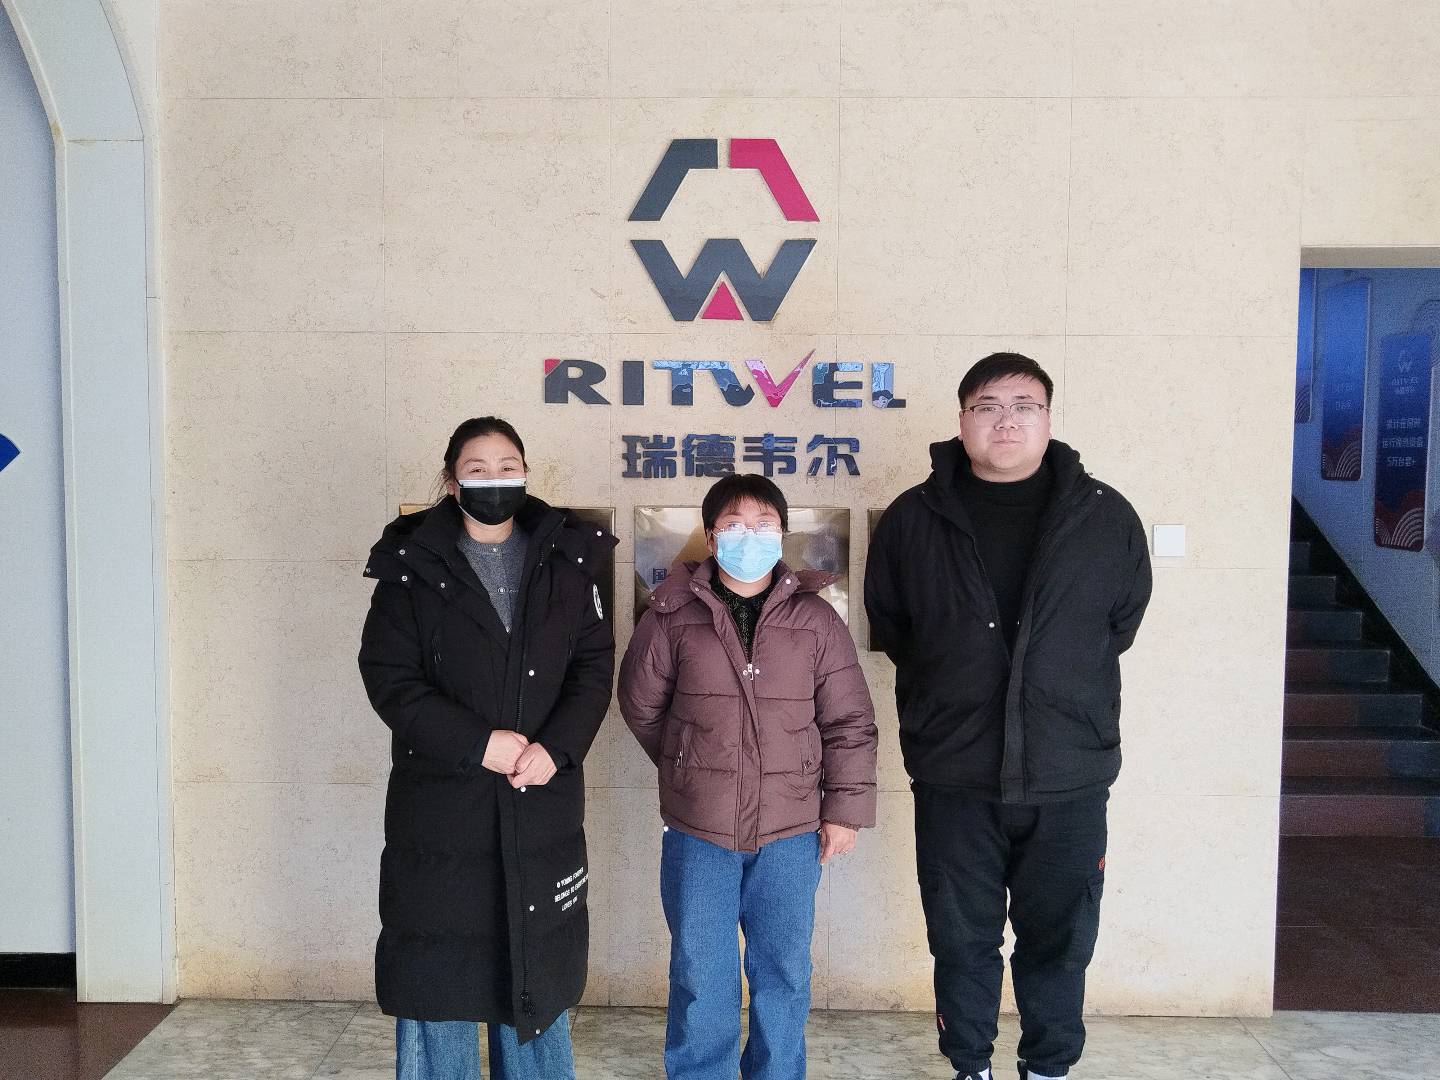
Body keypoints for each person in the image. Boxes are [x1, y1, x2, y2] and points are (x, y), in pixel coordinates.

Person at [864, 353, 1152, 1080]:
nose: (1006, 421)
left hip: (1068, 769)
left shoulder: (1105, 515)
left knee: (1060, 938)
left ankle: (1048, 1065)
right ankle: (970, 1064)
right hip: (955, 770)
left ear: (1048, 419)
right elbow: (893, 626)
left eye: (1025, 405)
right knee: (961, 938)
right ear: (962, 421)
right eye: (987, 406)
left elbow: (1119, 624)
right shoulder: (912, 518)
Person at [358, 416, 616, 1080]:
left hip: (539, 799)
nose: (494, 479)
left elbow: (592, 668)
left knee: (535, 974)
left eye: (508, 466)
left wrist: (557, 749)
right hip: (443, 810)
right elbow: (389, 679)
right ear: (451, 481)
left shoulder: (567, 558)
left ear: (526, 473)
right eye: (477, 468)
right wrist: (478, 744)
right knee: (438, 978)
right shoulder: (411, 564)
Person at [618, 473, 878, 1080]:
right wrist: (689, 764)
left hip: (791, 828)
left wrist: (843, 810)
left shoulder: (816, 620)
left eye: (764, 524)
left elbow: (849, 720)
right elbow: (640, 705)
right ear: (711, 538)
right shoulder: (671, 614)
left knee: (782, 971)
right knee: (700, 972)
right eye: (734, 524)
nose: (749, 536)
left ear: (782, 535)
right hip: (698, 828)